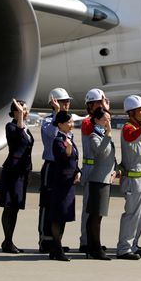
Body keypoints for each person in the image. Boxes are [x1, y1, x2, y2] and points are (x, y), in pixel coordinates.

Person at [116, 95, 141, 260]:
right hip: (133, 180)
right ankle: (124, 248)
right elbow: (133, 138)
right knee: (132, 215)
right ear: (131, 112)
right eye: (140, 110)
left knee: (140, 216)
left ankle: (133, 244)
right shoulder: (128, 128)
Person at [0, 99, 34, 254]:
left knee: (16, 208)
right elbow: (17, 138)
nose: (26, 111)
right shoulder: (11, 126)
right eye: (23, 109)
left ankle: (9, 241)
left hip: (23, 172)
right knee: (9, 206)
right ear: (16, 111)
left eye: (26, 109)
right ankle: (7, 241)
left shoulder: (26, 128)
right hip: (12, 171)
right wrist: (19, 117)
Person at [39, 88, 72, 253]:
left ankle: (57, 240)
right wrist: (58, 113)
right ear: (54, 103)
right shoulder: (47, 121)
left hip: (63, 167)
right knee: (47, 203)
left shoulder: (68, 121)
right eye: (63, 101)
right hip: (51, 165)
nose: (67, 104)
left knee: (61, 204)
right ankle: (45, 239)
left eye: (67, 101)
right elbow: (53, 133)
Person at [83, 107, 118, 260]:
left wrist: (115, 169)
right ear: (96, 120)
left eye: (109, 120)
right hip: (98, 179)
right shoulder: (94, 136)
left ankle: (93, 246)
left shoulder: (103, 135)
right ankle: (94, 247)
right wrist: (108, 135)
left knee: (97, 216)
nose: (107, 122)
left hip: (105, 179)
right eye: (105, 120)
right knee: (95, 216)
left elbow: (111, 156)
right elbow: (99, 151)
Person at [47, 110, 81, 261]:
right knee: (58, 216)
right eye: (68, 122)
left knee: (64, 215)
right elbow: (62, 158)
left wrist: (78, 171)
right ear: (60, 124)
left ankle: (56, 247)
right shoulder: (57, 140)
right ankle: (57, 247)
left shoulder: (69, 138)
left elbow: (75, 158)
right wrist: (67, 150)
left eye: (72, 122)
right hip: (61, 182)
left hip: (70, 183)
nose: (71, 124)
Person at [79, 88, 109, 254]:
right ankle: (85, 241)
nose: (101, 106)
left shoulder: (100, 121)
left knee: (96, 209)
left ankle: (92, 239)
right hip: (90, 168)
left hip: (99, 167)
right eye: (98, 103)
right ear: (90, 106)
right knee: (88, 208)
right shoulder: (87, 122)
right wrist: (106, 112)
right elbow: (96, 129)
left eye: (102, 103)